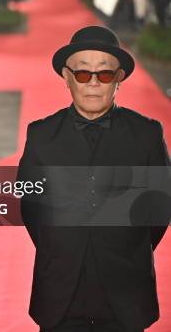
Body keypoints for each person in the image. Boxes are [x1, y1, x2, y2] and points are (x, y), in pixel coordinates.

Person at [18, 25, 169, 332]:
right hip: (59, 292)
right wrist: (61, 246)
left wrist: (124, 245)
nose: (94, 84)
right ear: (67, 76)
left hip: (126, 291)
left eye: (105, 74)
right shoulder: (41, 135)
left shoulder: (147, 134)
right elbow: (32, 210)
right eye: (84, 74)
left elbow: (158, 213)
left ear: (119, 79)